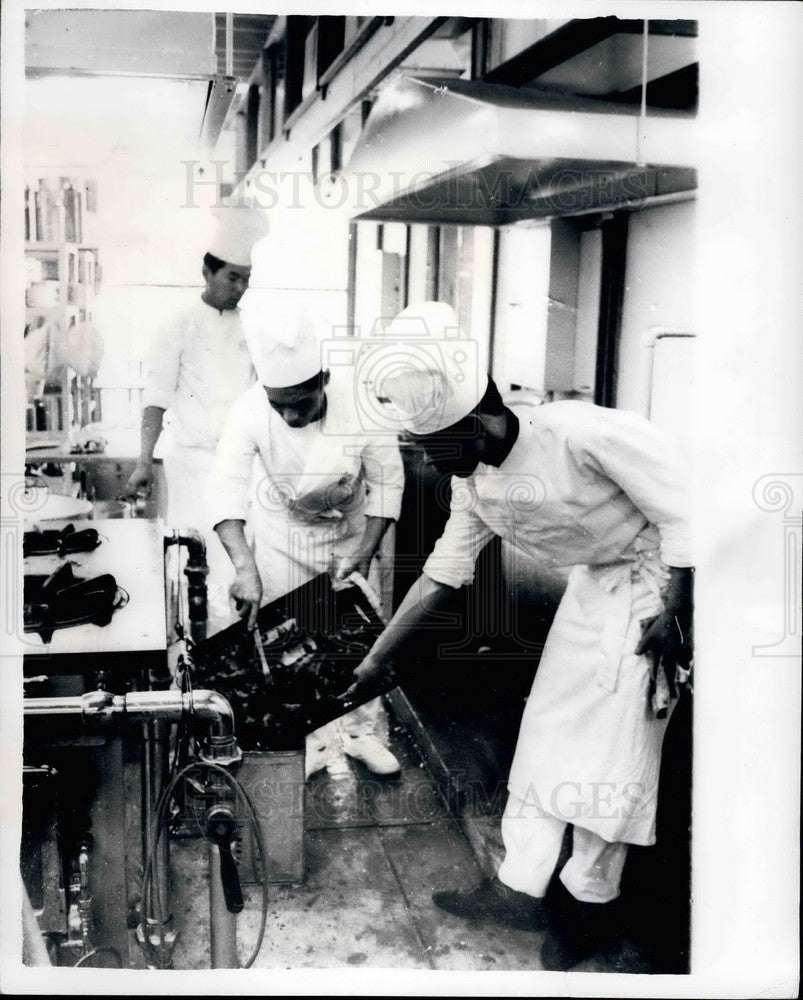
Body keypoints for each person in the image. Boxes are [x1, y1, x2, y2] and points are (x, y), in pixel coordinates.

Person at [341, 301, 693, 970]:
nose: (441, 467)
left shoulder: (580, 434)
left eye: (443, 447)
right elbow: (442, 572)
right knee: (546, 736)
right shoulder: (475, 481)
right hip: (595, 584)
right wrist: (378, 660)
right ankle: (517, 888)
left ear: (479, 420)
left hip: (657, 583)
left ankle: (587, 908)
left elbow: (683, 509)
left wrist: (677, 609)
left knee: (612, 760)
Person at [208, 328, 406, 779]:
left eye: (302, 402)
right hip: (285, 532)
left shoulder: (363, 406)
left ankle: (363, 732)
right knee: (293, 646)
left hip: (351, 532)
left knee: (357, 638)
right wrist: (245, 566)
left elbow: (389, 482)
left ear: (325, 380)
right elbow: (225, 487)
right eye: (281, 405)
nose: (291, 414)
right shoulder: (249, 410)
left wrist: (364, 549)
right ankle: (311, 741)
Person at [125, 207, 269, 620]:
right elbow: (156, 399)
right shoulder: (180, 326)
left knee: (243, 565)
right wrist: (142, 463)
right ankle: (197, 653)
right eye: (232, 277)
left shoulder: (252, 327)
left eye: (246, 279)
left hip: (242, 463)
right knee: (198, 564)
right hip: (193, 465)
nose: (240, 288)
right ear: (207, 273)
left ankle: (238, 651)